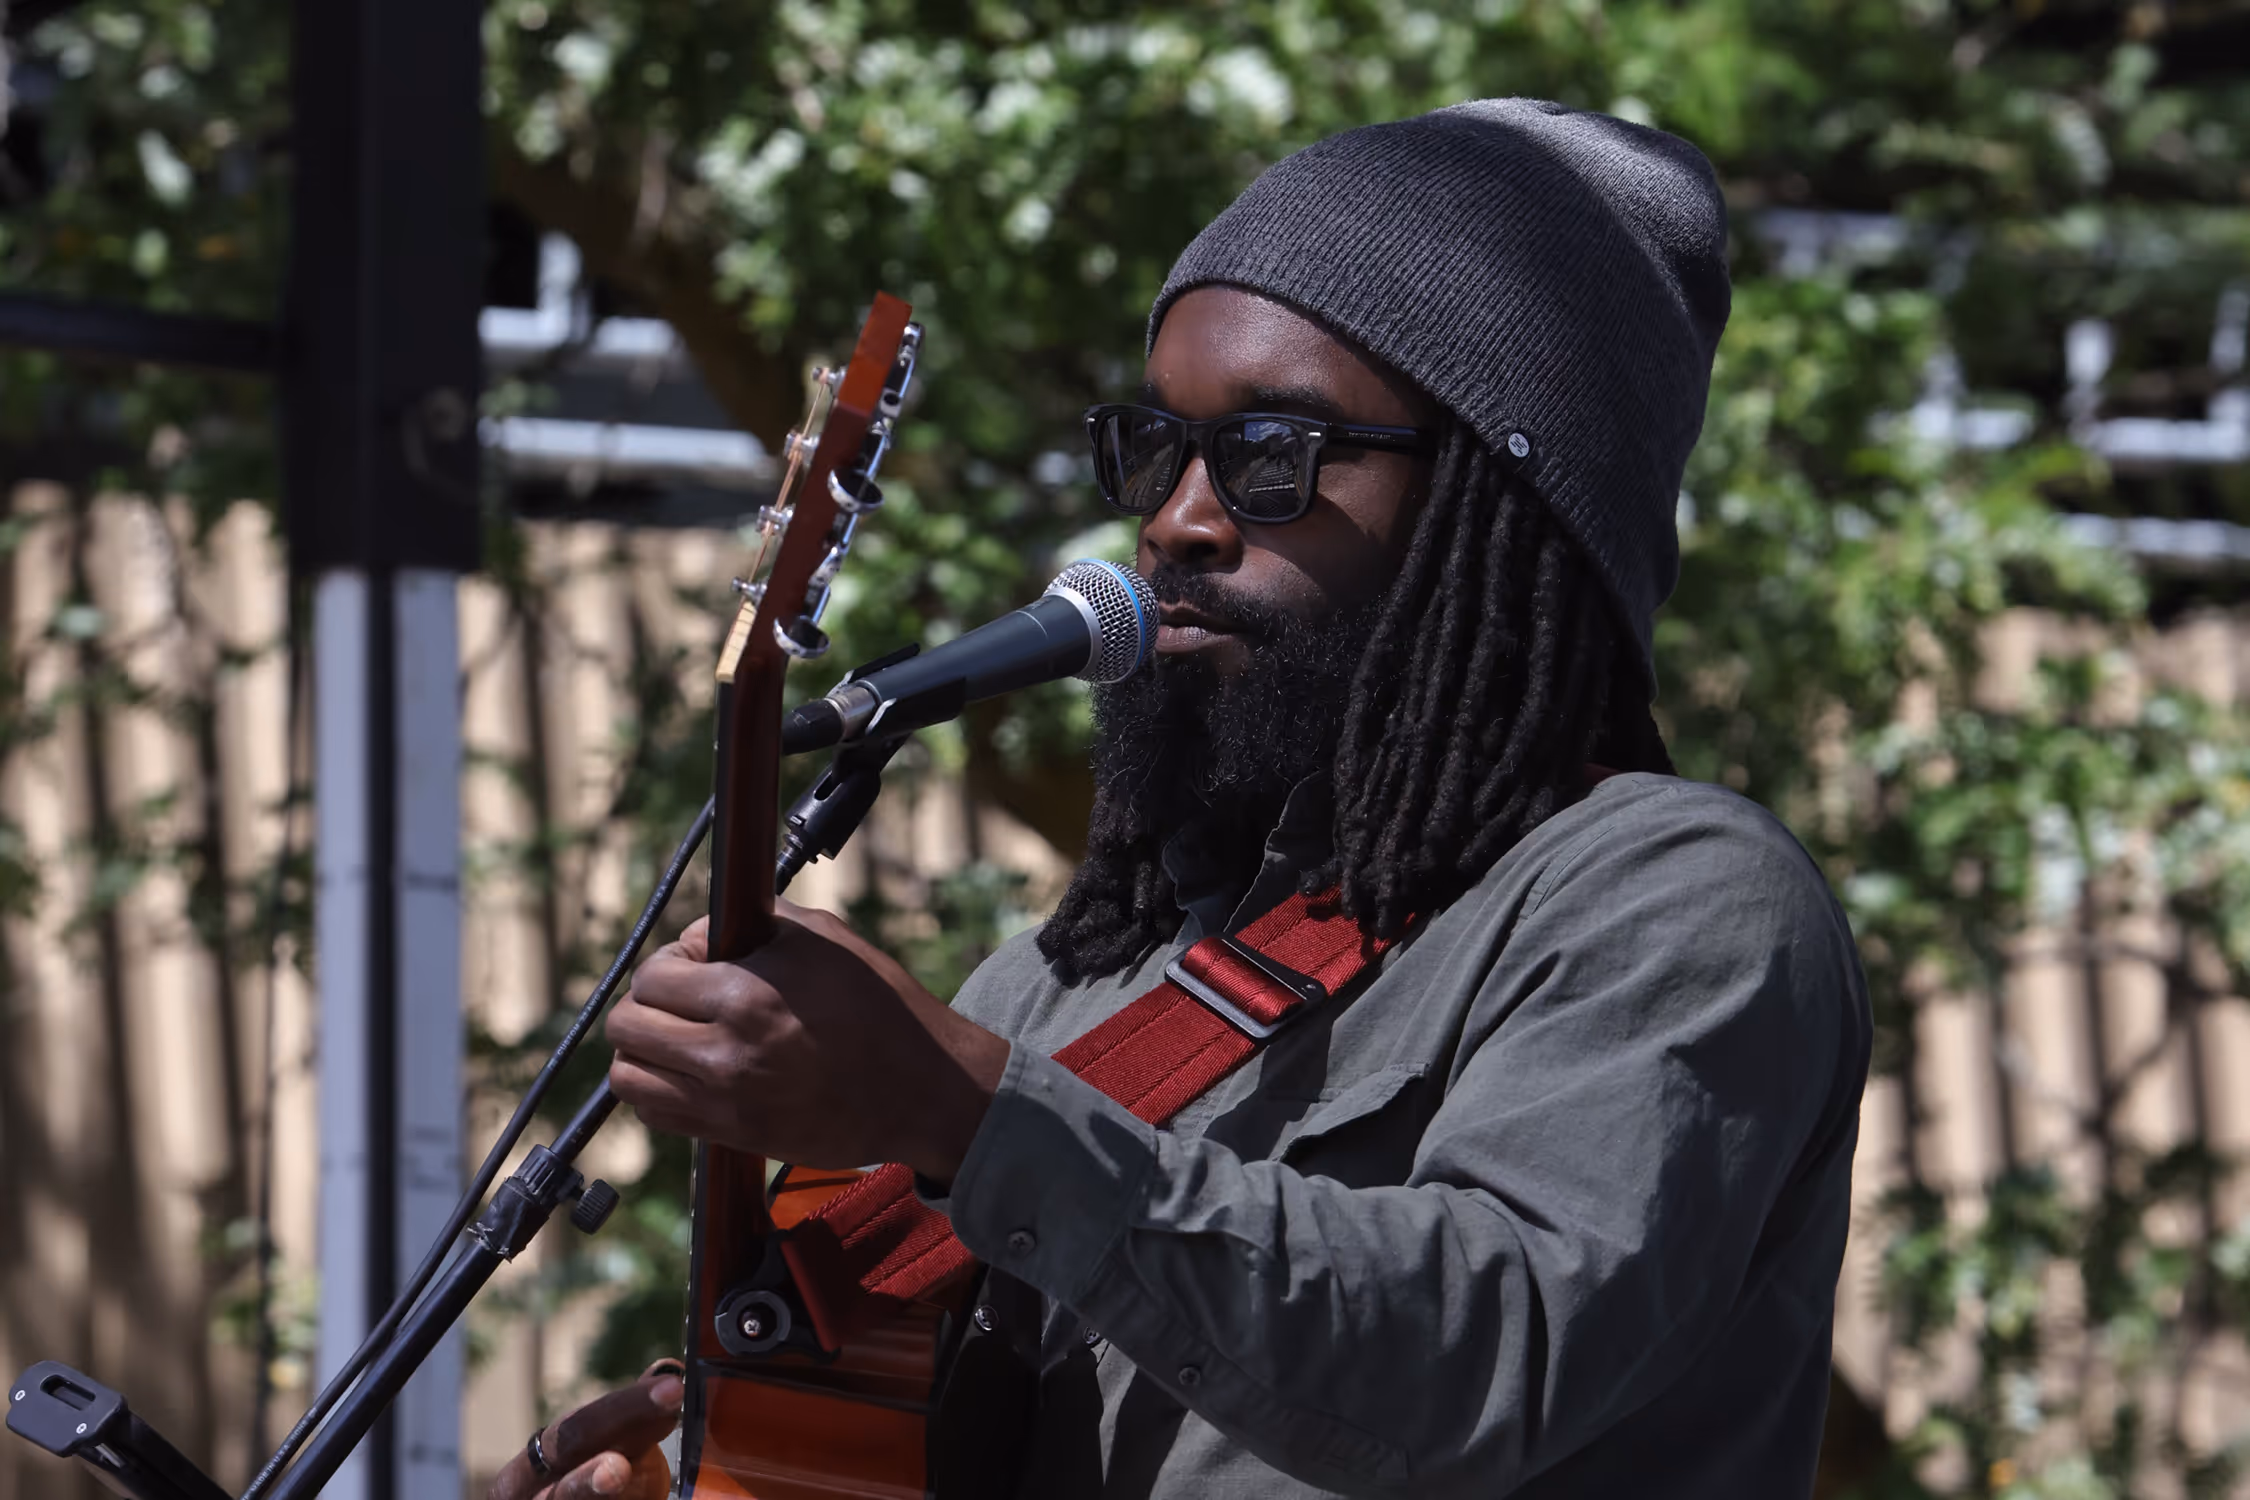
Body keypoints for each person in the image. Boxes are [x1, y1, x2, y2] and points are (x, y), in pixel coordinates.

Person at [505, 98, 1873, 1499]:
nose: (1177, 520)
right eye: (1156, 448)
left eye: (1273, 451)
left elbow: (1486, 1360)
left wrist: (976, 1120)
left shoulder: (1675, 897)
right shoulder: (1058, 984)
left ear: (1497, 496)